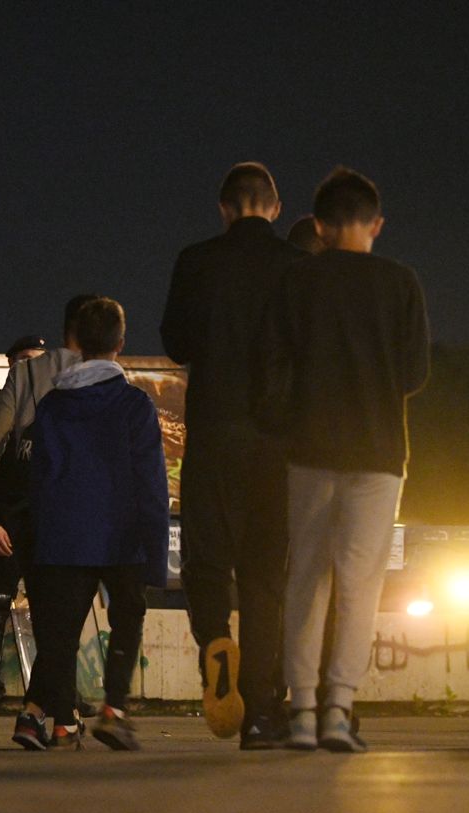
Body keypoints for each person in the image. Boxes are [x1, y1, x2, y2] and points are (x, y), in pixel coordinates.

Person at [255, 167, 431, 753]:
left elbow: (272, 365)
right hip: (379, 453)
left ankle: (300, 712)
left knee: (306, 578)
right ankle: (339, 709)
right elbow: (414, 375)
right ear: (377, 224)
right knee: (361, 584)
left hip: (308, 449)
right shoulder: (402, 281)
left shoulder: (295, 281)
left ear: (322, 226)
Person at [159, 163, 306, 747]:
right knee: (268, 574)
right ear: (273, 207)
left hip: (215, 431)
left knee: (208, 560)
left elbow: (177, 343)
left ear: (223, 208)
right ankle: (266, 708)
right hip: (276, 442)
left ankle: (216, 644)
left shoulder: (196, 261)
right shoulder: (298, 267)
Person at [12, 297, 170, 752]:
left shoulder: (53, 407)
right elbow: (151, 482)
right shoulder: (135, 405)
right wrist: (154, 550)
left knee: (61, 633)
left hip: (65, 534)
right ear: (122, 342)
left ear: (74, 343)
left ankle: (51, 719)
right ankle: (113, 709)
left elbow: (39, 477)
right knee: (127, 617)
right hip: (123, 533)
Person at [0, 317, 86, 716]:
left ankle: (60, 693)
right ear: (10, 364)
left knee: (55, 608)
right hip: (6, 518)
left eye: (36, 360)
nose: (30, 368)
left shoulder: (57, 407)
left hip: (45, 519)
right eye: (23, 361)